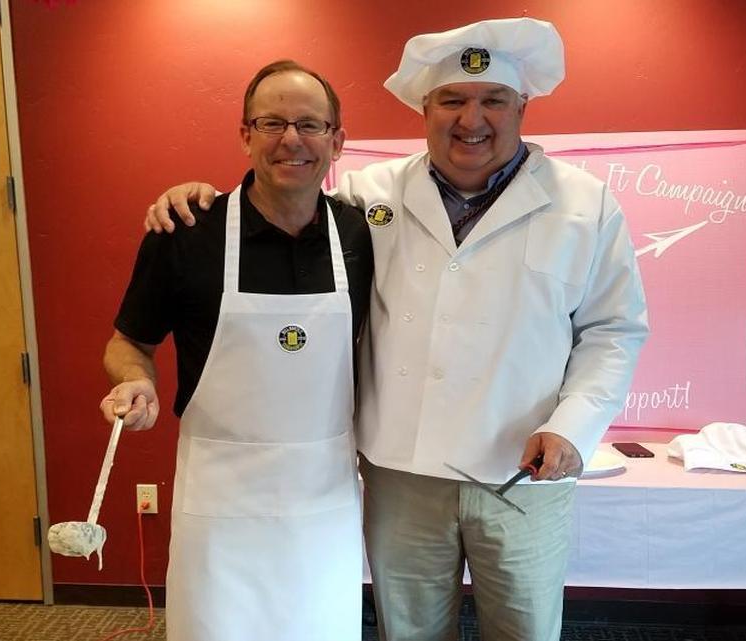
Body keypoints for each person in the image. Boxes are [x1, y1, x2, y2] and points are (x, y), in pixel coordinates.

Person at [144, 19, 648, 641]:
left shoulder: (585, 205)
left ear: (523, 106)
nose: (472, 119)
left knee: (524, 630)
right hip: (401, 472)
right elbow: (279, 194)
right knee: (407, 631)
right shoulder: (366, 195)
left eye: (493, 100)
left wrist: (573, 427)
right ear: (425, 110)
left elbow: (613, 330)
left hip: (520, 472)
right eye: (452, 101)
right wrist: (198, 199)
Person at [100, 60, 373, 641]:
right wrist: (137, 381)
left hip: (321, 505)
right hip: (220, 508)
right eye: (271, 123)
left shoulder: (362, 233)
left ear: (337, 141)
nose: (291, 140)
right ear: (244, 135)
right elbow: (128, 343)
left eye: (310, 124)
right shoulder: (186, 232)